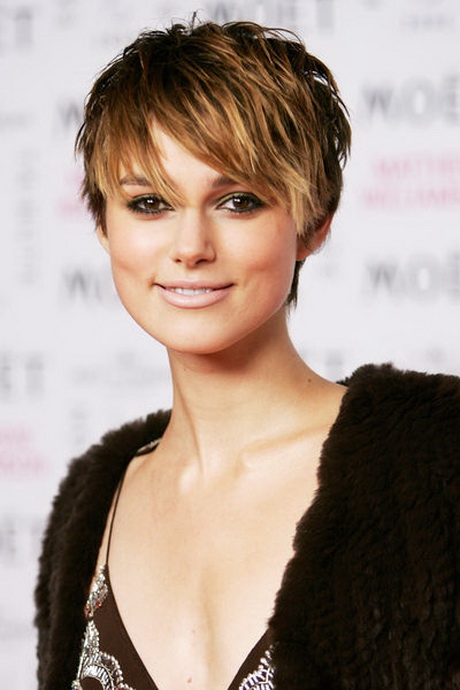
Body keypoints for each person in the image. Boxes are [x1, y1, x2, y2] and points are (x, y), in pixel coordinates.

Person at [35, 19, 460, 690]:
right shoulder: (88, 509)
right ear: (102, 224)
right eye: (149, 203)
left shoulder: (439, 459)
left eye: (238, 201)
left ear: (314, 221)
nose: (190, 247)